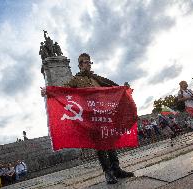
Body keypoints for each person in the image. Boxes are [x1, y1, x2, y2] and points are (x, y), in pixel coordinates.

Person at [41, 53, 134, 184]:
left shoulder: (97, 78)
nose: (88, 64)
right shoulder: (76, 80)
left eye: (89, 62)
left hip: (104, 114)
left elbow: (111, 88)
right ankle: (108, 173)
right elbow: (64, 89)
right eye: (85, 62)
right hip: (91, 117)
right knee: (100, 144)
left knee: (110, 141)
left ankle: (116, 169)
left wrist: (123, 89)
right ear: (79, 65)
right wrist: (49, 91)